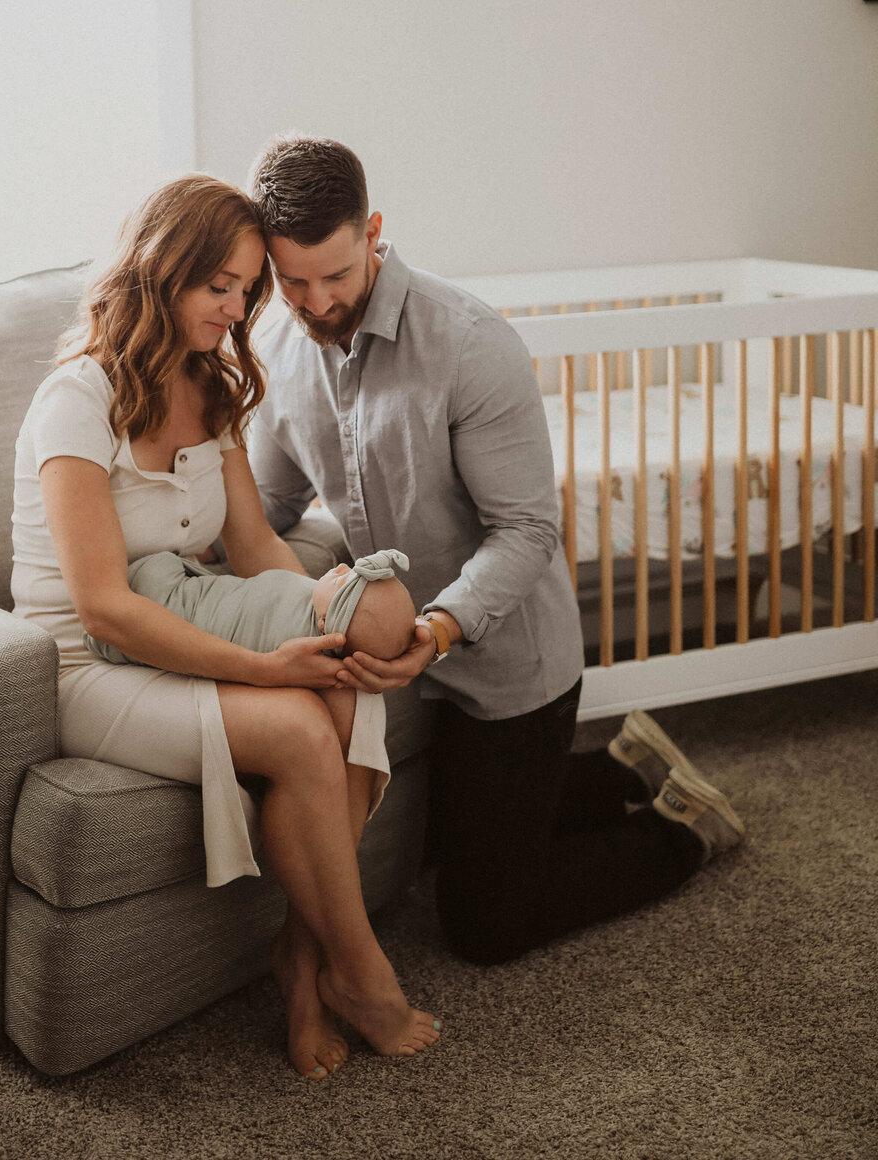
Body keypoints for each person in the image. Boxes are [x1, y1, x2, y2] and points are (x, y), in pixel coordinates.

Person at [245, 134, 746, 968]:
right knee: (423, 846)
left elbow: (528, 532)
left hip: (504, 666)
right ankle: (620, 766)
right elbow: (270, 505)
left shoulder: (469, 344)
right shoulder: (277, 347)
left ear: (373, 232)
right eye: (292, 279)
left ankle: (682, 828)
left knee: (485, 923)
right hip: (397, 666)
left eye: (335, 274)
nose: (317, 300)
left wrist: (436, 631)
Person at [9, 173, 441, 1075]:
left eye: (247, 290)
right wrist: (268, 672)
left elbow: (253, 546)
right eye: (220, 286)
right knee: (293, 722)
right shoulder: (75, 400)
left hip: (175, 626)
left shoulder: (211, 386)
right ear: (161, 271)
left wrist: (315, 629)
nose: (238, 308)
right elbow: (100, 604)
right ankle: (359, 969)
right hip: (89, 666)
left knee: (341, 691)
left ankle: (301, 959)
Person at [84, 548, 416, 670]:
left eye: (344, 583)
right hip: (114, 608)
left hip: (165, 613)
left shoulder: (300, 643)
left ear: (327, 626)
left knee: (161, 568)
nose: (342, 568)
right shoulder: (324, 622)